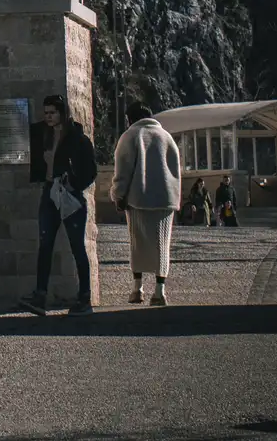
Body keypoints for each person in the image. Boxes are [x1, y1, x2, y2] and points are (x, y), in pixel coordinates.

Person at [21, 93, 97, 317]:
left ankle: (85, 297)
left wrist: (74, 184)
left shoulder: (77, 139)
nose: (49, 117)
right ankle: (40, 295)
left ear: (62, 113)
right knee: (45, 244)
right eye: (46, 113)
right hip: (49, 191)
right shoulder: (42, 135)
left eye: (52, 113)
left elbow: (90, 171)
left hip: (68, 194)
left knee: (77, 247)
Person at [111, 102, 181, 307]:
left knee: (137, 243)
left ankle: (137, 289)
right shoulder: (166, 137)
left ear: (130, 118)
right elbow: (176, 172)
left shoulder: (131, 136)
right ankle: (160, 291)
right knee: (162, 245)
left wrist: (118, 195)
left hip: (138, 199)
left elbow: (122, 171)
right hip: (166, 200)